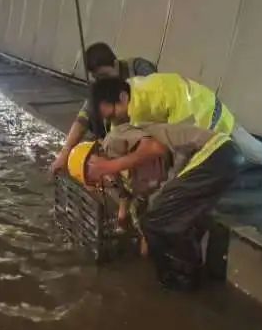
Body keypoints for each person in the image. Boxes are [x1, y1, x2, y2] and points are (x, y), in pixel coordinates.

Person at [81, 121, 244, 290]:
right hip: (217, 160)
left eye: (93, 173)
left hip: (212, 152)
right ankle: (195, 274)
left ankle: (181, 279)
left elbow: (154, 147)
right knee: (166, 219)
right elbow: (136, 199)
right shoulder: (124, 177)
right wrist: (137, 231)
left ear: (94, 157)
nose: (102, 180)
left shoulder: (113, 140)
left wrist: (109, 166)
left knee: (155, 222)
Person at [89, 74, 262, 182]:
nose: (114, 121)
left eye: (113, 114)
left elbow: (181, 143)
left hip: (211, 119)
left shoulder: (157, 96)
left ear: (122, 98)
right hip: (198, 118)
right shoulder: (131, 96)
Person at [49, 42, 156, 174]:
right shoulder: (102, 85)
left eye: (104, 76)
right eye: (98, 78)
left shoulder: (140, 69)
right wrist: (65, 153)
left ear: (115, 64)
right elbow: (83, 117)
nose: (102, 81)